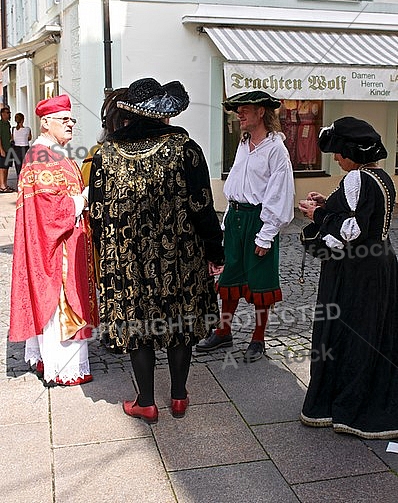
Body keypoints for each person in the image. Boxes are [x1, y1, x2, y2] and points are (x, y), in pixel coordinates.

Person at [89, 78, 224, 423]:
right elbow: (202, 206)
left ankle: (146, 401)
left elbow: (99, 214)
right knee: (180, 321)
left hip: (128, 261)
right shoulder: (185, 148)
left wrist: (106, 256)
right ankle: (179, 396)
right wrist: (215, 251)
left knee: (137, 325)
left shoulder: (105, 155)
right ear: (165, 115)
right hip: (180, 256)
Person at [298, 116, 398, 439]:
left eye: (339, 153)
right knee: (374, 333)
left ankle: (348, 406)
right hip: (380, 264)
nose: (336, 159)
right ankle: (368, 396)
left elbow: (352, 230)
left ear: (351, 152)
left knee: (350, 334)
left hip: (357, 270)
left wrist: (318, 215)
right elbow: (363, 216)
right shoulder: (382, 177)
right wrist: (329, 204)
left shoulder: (357, 178)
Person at [196, 90, 295, 362]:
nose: (239, 113)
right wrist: (227, 221)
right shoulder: (244, 142)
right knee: (230, 277)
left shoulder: (276, 148)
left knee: (261, 281)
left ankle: (258, 338)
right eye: (237, 109)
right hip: (237, 218)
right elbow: (238, 184)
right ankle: (224, 330)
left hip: (259, 219)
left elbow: (280, 192)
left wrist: (266, 234)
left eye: (245, 109)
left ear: (261, 112)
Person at [9, 94, 98, 386]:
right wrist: (84, 199)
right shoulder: (43, 157)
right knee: (62, 303)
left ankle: (49, 359)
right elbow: (51, 211)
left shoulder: (53, 153)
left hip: (65, 241)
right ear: (46, 123)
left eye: (72, 119)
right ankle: (63, 367)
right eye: (64, 119)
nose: (71, 124)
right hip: (57, 248)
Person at [11, 112, 32, 178]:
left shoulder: (13, 129)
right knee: (25, 165)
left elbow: (12, 139)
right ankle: (25, 180)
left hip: (16, 149)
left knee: (18, 166)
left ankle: (18, 179)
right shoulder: (27, 129)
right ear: (23, 120)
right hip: (25, 148)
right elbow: (29, 138)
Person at [0, 106, 14, 192]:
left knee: (6, 167)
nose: (8, 115)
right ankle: (2, 186)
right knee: (2, 168)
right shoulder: (0, 124)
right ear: (2, 114)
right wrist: (1, 149)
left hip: (9, 148)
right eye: (6, 113)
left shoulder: (8, 124)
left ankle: (5, 184)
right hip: (3, 149)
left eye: (9, 113)